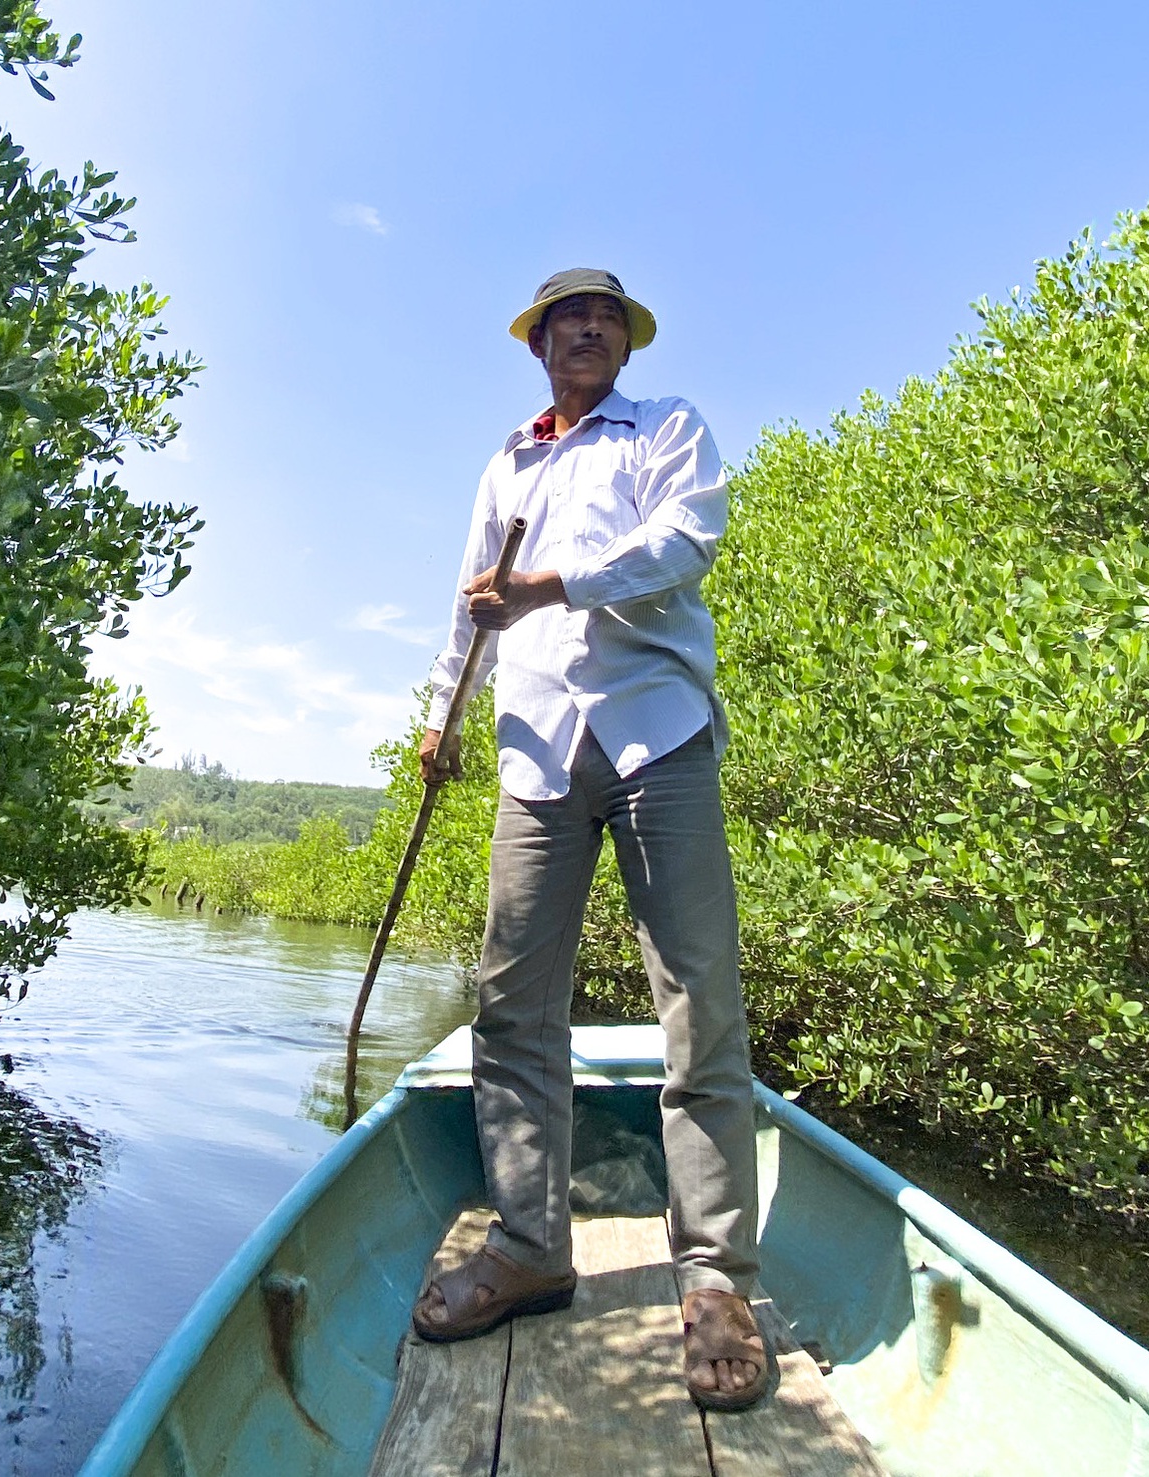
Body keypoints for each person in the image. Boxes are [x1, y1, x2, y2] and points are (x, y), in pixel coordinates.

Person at [408, 268, 767, 1412]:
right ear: (539, 344)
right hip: (532, 750)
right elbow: (470, 606)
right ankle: (530, 1244)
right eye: (570, 320)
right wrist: (437, 716)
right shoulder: (506, 461)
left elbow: (683, 545)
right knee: (513, 1003)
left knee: (698, 1001)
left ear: (624, 342)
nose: (589, 331)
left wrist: (554, 584)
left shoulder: (668, 430)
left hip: (655, 735)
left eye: (606, 319)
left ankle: (714, 1275)